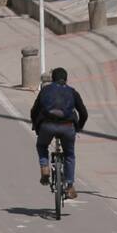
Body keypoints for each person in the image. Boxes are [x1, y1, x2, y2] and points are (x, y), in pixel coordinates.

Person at [30, 67, 88, 199]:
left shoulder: (45, 90)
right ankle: (69, 186)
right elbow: (84, 113)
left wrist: (36, 126)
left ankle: (45, 168)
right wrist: (79, 127)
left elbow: (34, 110)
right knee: (69, 155)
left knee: (42, 145)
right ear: (66, 80)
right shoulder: (73, 92)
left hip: (47, 126)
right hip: (67, 127)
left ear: (52, 79)